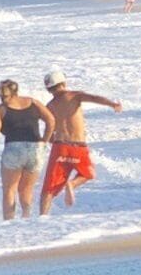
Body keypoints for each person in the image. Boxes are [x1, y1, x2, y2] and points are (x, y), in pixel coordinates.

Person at [37, 73, 122, 210]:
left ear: (48, 89)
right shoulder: (74, 96)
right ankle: (72, 184)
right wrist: (112, 104)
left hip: (60, 147)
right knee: (88, 174)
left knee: (48, 189)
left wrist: (48, 142)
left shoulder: (50, 106)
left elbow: (49, 129)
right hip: (78, 146)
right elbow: (94, 98)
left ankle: (42, 218)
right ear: (63, 83)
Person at [0, 80, 51, 220]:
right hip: (35, 149)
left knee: (9, 189)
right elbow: (51, 120)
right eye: (1, 97)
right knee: (26, 189)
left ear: (12, 93)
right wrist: (44, 141)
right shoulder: (33, 103)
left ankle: (9, 223)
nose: (3, 100)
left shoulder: (0, 110)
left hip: (13, 149)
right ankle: (26, 218)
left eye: (4, 96)